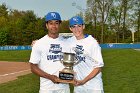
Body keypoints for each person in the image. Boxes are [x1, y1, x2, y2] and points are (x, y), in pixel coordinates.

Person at [29, 12, 70, 93]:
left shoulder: (67, 42)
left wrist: (90, 39)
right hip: (46, 88)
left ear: (60, 25)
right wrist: (50, 77)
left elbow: (81, 40)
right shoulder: (39, 43)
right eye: (51, 23)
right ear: (46, 25)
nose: (54, 26)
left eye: (56, 23)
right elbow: (33, 67)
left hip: (64, 88)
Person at [67, 16, 104, 93]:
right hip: (78, 87)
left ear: (83, 26)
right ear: (70, 28)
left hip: (94, 87)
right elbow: (55, 41)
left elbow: (98, 68)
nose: (76, 29)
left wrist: (83, 81)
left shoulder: (92, 43)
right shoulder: (69, 41)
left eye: (79, 26)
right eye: (74, 27)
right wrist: (37, 42)